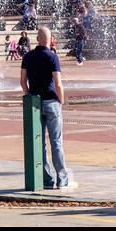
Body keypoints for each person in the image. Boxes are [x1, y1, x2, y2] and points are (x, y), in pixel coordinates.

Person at [21, 26, 74, 189]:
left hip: (35, 103)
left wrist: (30, 95)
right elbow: (58, 83)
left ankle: (47, 179)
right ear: (50, 40)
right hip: (52, 102)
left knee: (40, 143)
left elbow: (23, 81)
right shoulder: (52, 56)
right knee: (56, 142)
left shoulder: (28, 57)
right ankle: (62, 178)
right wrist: (61, 100)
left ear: (37, 39)